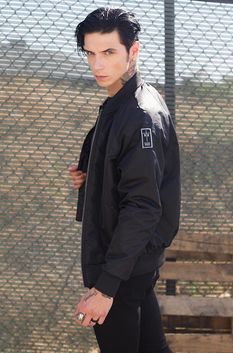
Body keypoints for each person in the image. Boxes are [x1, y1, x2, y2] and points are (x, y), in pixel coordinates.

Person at [69, 7, 180, 353]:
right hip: (133, 263)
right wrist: (92, 177)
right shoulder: (124, 101)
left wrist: (105, 289)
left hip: (122, 266)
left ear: (133, 50)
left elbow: (144, 206)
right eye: (90, 53)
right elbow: (128, 172)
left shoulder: (137, 113)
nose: (97, 65)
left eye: (108, 52)